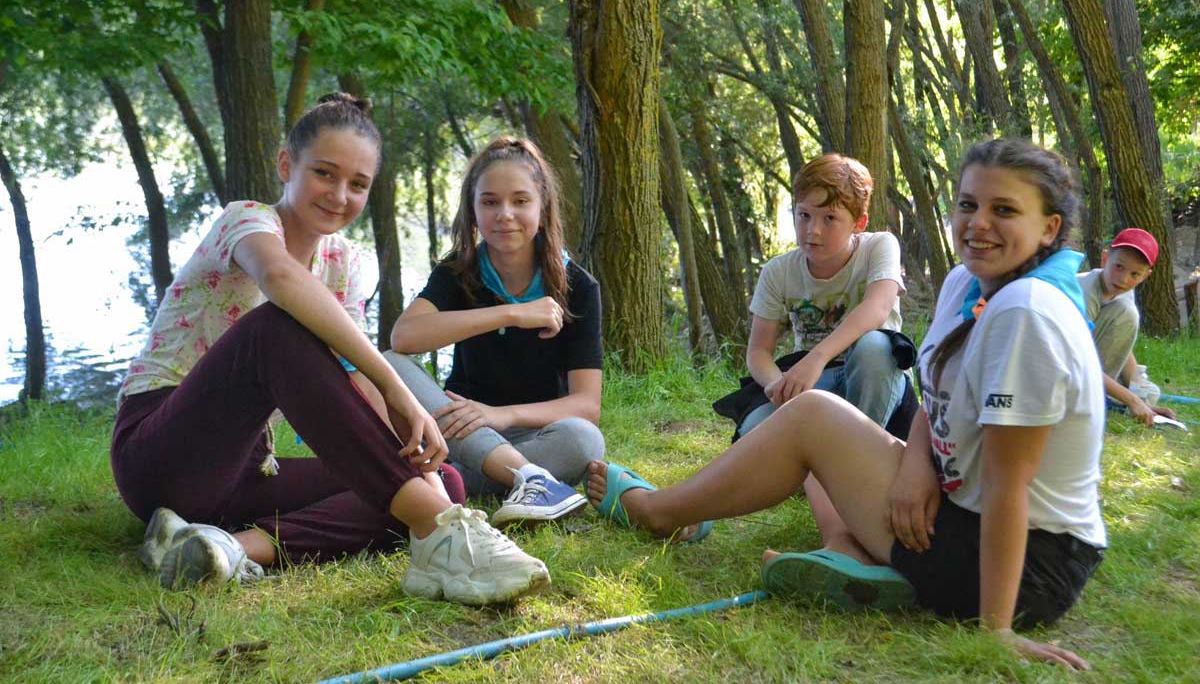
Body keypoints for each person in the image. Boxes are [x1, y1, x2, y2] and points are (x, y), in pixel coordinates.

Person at [586, 139, 1106, 670]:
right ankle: (853, 552)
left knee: (812, 415)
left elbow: (1008, 483)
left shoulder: (1026, 311)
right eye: (968, 204)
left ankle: (659, 513)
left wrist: (996, 628)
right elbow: (938, 397)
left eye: (1005, 210)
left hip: (1030, 567)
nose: (978, 223)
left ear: (1049, 228)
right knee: (814, 411)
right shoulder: (966, 282)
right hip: (956, 510)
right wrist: (915, 465)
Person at [111, 94, 550, 606]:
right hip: (160, 452)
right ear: (285, 165)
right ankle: (451, 540)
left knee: (442, 483)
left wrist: (417, 463)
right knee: (274, 327)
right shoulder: (246, 221)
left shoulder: (344, 262)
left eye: (358, 184)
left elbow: (354, 380)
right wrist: (396, 384)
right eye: (324, 173)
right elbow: (280, 279)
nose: (340, 195)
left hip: (244, 472)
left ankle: (222, 548)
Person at [387, 137, 604, 527]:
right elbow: (403, 338)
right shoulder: (457, 272)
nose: (505, 214)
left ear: (543, 207)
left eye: (520, 201)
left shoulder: (579, 286)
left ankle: (459, 482)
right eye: (489, 202)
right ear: (473, 211)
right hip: (458, 434)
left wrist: (499, 416)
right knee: (391, 364)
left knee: (585, 440)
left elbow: (586, 405)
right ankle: (528, 480)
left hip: (533, 433)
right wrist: (511, 313)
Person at [739, 153, 907, 438]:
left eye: (830, 218)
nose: (813, 231)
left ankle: (858, 452)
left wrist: (817, 357)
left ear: (859, 222)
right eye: (804, 215)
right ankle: (820, 454)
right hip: (812, 381)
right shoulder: (778, 271)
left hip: (875, 378)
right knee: (753, 429)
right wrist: (778, 386)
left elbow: (877, 308)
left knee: (876, 346)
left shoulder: (879, 247)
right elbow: (758, 351)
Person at [1077, 228, 1177, 427]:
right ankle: (1096, 396)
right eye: (1119, 267)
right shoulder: (1085, 294)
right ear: (1105, 259)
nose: (1123, 278)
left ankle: (1108, 395)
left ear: (1145, 276)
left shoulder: (1122, 290)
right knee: (1127, 311)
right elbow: (1078, 361)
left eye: (1134, 274)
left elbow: (1121, 343)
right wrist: (1132, 401)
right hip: (1064, 365)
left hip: (1088, 364)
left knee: (1150, 391)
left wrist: (1139, 395)